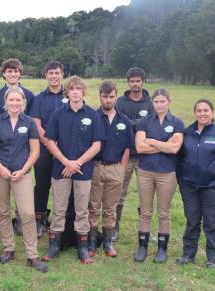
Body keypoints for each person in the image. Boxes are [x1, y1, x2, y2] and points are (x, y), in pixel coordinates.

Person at [41, 76, 104, 264]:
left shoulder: (93, 115)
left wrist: (77, 163)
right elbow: (50, 142)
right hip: (61, 169)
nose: (75, 92)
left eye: (78, 88)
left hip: (83, 170)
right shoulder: (58, 114)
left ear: (83, 91)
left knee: (82, 210)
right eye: (71, 89)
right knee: (59, 209)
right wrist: (66, 162)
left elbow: (97, 145)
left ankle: (83, 248)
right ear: (66, 92)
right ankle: (54, 246)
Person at [176, 99, 215, 269]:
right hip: (189, 186)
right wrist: (180, 180)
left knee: (212, 223)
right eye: (199, 111)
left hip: (213, 187)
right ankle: (188, 254)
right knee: (192, 221)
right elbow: (178, 158)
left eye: (206, 110)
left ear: (212, 112)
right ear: (194, 113)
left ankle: (213, 257)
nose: (202, 114)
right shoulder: (187, 132)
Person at [0, 86, 48, 273]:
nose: (14, 103)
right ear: (5, 102)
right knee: (3, 212)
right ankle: (9, 249)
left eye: (18, 100)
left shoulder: (29, 122)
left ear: (23, 102)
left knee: (28, 214)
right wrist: (1, 168)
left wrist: (23, 170)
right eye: (11, 100)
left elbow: (35, 150)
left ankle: (32, 255)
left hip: (22, 174)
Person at [133, 88, 184, 263]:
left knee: (164, 212)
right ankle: (142, 247)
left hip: (167, 173)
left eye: (163, 101)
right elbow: (140, 148)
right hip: (145, 172)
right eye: (156, 101)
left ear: (169, 102)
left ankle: (162, 249)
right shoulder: (144, 122)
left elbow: (174, 149)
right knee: (145, 211)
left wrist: (152, 141)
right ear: (152, 103)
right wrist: (164, 144)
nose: (159, 104)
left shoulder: (177, 123)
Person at [0, 58, 35, 235]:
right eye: (9, 71)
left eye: (16, 71)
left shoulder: (30, 95)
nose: (13, 74)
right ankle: (0, 218)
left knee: (22, 189)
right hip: (0, 150)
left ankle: (20, 219)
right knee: (0, 190)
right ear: (4, 74)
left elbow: (30, 122)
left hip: (21, 149)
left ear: (20, 73)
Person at [88, 80, 132, 258]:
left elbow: (128, 147)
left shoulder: (124, 120)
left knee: (110, 207)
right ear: (100, 96)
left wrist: (121, 169)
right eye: (105, 97)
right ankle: (91, 242)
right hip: (96, 167)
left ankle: (108, 243)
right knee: (93, 206)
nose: (108, 100)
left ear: (116, 97)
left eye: (111, 97)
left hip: (116, 168)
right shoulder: (92, 117)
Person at [113, 67, 153, 242]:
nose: (135, 84)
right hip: (125, 154)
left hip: (146, 155)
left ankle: (146, 230)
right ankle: (114, 228)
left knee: (147, 195)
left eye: (138, 81)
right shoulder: (120, 102)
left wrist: (131, 123)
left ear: (143, 81)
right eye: (132, 81)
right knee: (118, 193)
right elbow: (118, 122)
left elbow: (152, 124)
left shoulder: (151, 103)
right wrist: (140, 123)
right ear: (128, 82)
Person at [29, 61, 67, 238]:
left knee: (65, 187)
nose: (54, 76)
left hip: (66, 151)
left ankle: (63, 220)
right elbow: (36, 125)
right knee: (42, 186)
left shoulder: (71, 95)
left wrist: (60, 146)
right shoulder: (38, 99)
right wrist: (50, 144)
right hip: (44, 150)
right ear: (46, 76)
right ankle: (40, 219)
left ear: (62, 74)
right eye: (50, 73)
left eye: (57, 73)